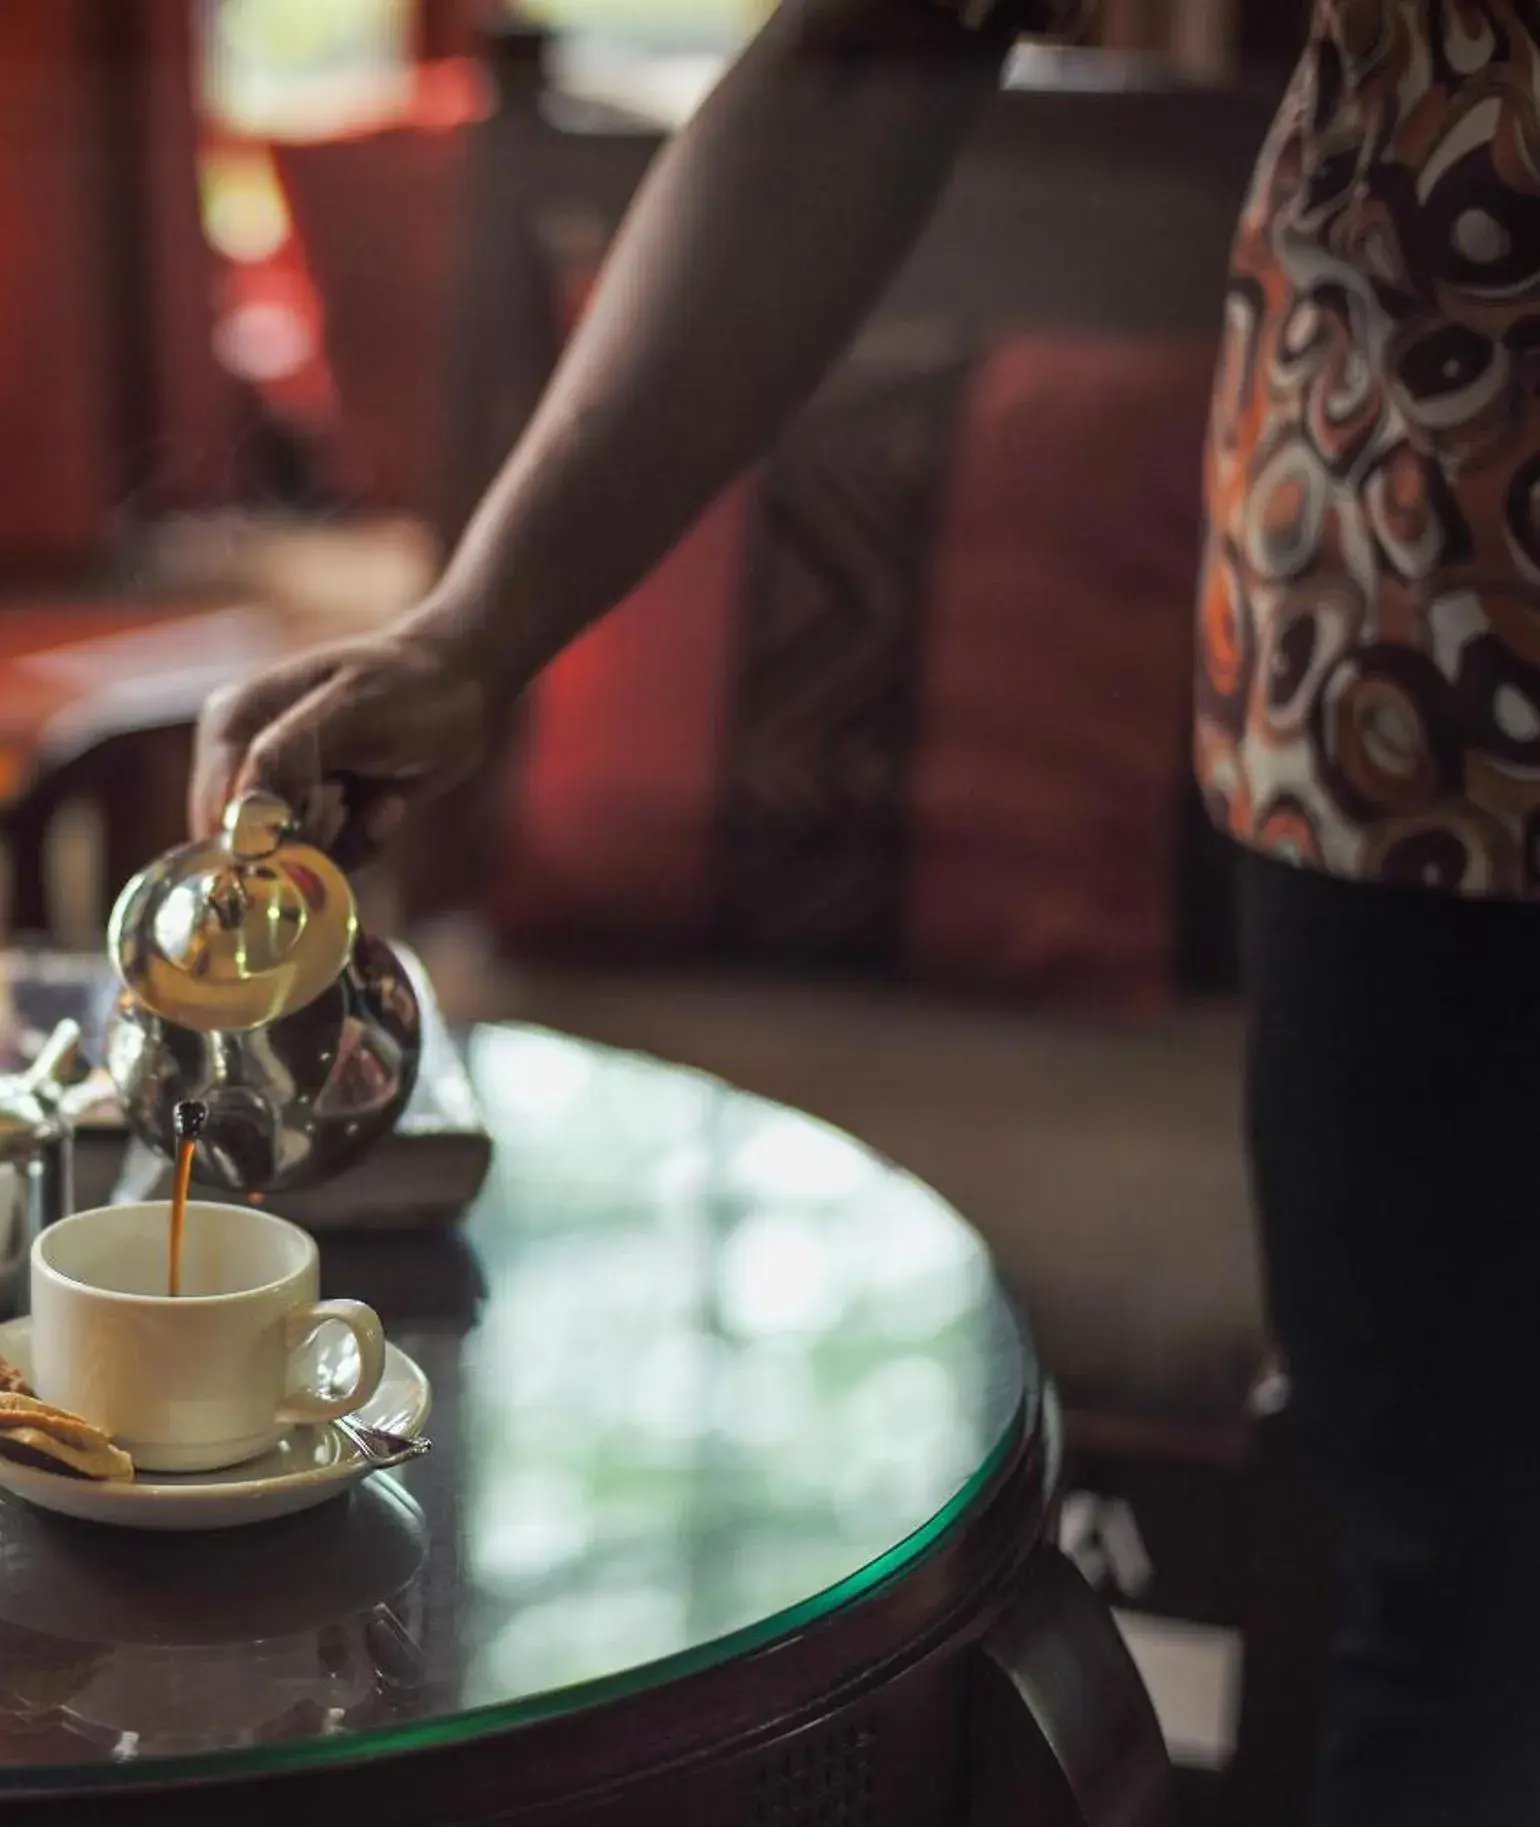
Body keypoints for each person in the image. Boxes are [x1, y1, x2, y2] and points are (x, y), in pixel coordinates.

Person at [187, 1, 1540, 1821]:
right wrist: (469, 630)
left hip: (1400, 660)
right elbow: (860, 54)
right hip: (1423, 674)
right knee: (1471, 1602)